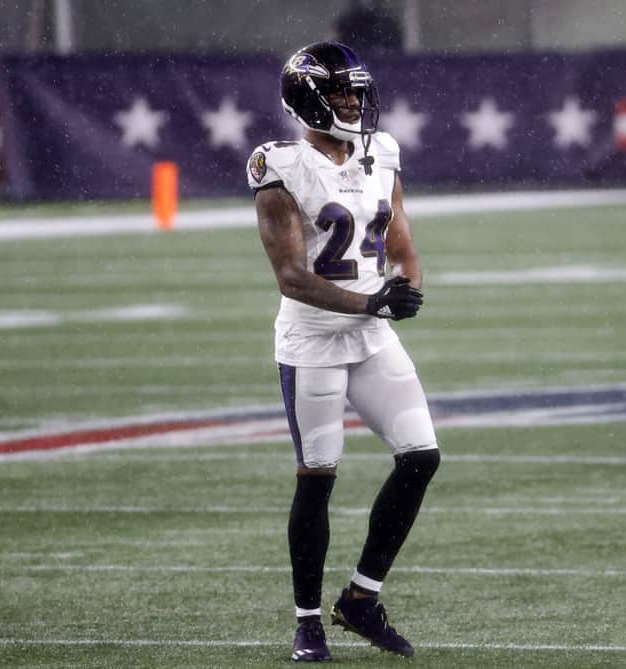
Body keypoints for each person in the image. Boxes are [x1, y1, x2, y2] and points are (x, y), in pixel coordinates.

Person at [246, 42, 440, 661]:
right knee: (318, 476)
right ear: (307, 99)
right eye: (339, 93)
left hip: (372, 328)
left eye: (357, 91)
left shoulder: (381, 152)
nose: (354, 102)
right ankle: (307, 622)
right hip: (313, 339)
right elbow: (291, 277)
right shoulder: (278, 165)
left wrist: (408, 287)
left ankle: (361, 598)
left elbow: (402, 238)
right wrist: (369, 305)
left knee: (421, 458)